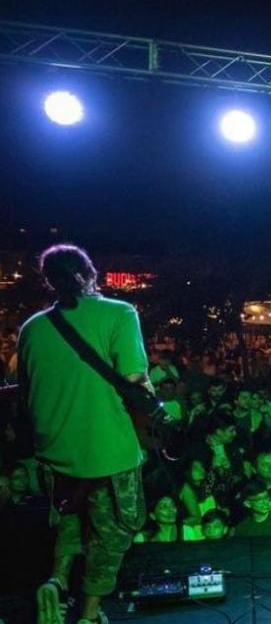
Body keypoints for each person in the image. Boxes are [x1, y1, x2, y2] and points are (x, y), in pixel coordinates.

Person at [18, 245, 156, 624]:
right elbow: (134, 378)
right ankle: (89, 615)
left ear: (47, 281)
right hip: (109, 451)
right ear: (91, 273)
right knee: (110, 537)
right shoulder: (120, 313)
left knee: (69, 519)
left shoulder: (31, 329)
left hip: (55, 451)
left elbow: (27, 392)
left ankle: (57, 580)